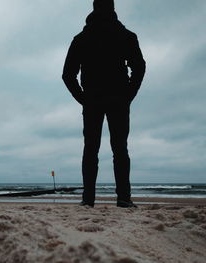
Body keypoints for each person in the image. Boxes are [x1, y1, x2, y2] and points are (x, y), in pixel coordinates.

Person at [62, 0, 146, 208]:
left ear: (94, 8)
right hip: (115, 98)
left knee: (91, 149)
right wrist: (129, 94)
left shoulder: (82, 38)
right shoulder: (125, 35)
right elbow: (139, 68)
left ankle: (88, 199)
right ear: (113, 8)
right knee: (119, 149)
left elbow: (68, 75)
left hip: (96, 99)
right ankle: (123, 198)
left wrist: (83, 98)